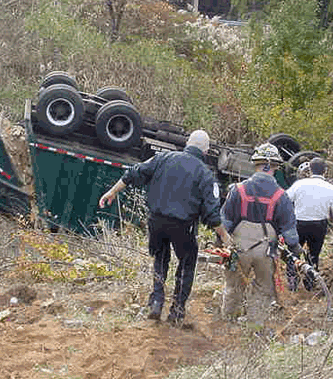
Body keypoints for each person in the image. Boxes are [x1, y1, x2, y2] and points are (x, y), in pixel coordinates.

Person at [98, 129, 232, 325]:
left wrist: (111, 192)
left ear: (188, 143)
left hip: (156, 221)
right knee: (187, 264)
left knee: (160, 258)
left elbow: (133, 173)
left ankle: (156, 302)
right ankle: (176, 311)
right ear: (206, 150)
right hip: (183, 226)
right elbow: (212, 215)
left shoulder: (162, 158)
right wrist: (226, 237)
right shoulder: (205, 174)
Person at [220, 143, 301, 327]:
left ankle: (228, 325)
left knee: (234, 287)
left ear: (255, 164)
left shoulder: (238, 190)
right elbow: (289, 230)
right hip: (266, 252)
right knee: (264, 289)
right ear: (275, 167)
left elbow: (225, 222)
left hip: (238, 249)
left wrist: (222, 242)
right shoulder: (281, 196)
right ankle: (254, 325)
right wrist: (294, 248)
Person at [285, 157, 333, 290]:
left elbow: (284, 200)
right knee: (313, 256)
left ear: (310, 170)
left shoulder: (299, 184)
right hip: (318, 226)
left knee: (292, 254)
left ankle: (292, 284)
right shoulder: (330, 188)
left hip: (298, 224)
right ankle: (310, 284)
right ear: (325, 171)